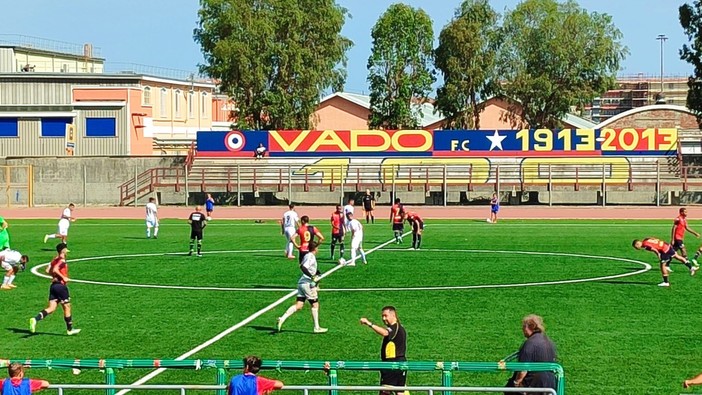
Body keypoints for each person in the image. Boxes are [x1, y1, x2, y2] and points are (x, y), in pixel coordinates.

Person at [29, 242, 81, 336]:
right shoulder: (61, 260)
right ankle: (70, 329)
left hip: (53, 286)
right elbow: (55, 269)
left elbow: (47, 270)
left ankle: (35, 319)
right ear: (63, 250)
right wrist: (63, 277)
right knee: (67, 307)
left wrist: (54, 277)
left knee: (51, 308)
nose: (67, 252)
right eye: (66, 250)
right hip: (61, 287)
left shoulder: (54, 259)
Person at [276, 240, 328, 333]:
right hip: (307, 284)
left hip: (301, 283)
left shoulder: (308, 255)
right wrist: (312, 277)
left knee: (299, 305)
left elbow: (311, 268)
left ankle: (282, 318)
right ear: (315, 248)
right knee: (315, 304)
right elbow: (303, 267)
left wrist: (318, 273)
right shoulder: (311, 257)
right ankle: (317, 327)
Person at [360, 306, 407, 395]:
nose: (383, 318)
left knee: (385, 392)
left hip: (392, 364)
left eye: (386, 316)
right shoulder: (399, 328)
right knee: (400, 392)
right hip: (401, 364)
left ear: (393, 315)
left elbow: (385, 333)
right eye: (382, 316)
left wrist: (369, 323)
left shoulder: (394, 327)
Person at [505, 315, 558, 394]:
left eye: (523, 326)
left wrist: (516, 383)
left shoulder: (529, 343)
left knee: (509, 390)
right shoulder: (550, 342)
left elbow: (523, 370)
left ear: (530, 327)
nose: (522, 329)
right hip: (551, 383)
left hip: (534, 383)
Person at [632, 237, 698, 287]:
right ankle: (691, 267)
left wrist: (659, 256)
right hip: (666, 245)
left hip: (664, 250)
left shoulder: (645, 245)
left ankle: (666, 282)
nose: (637, 248)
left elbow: (654, 250)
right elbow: (655, 238)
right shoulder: (646, 239)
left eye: (636, 247)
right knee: (677, 256)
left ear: (637, 244)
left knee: (662, 265)